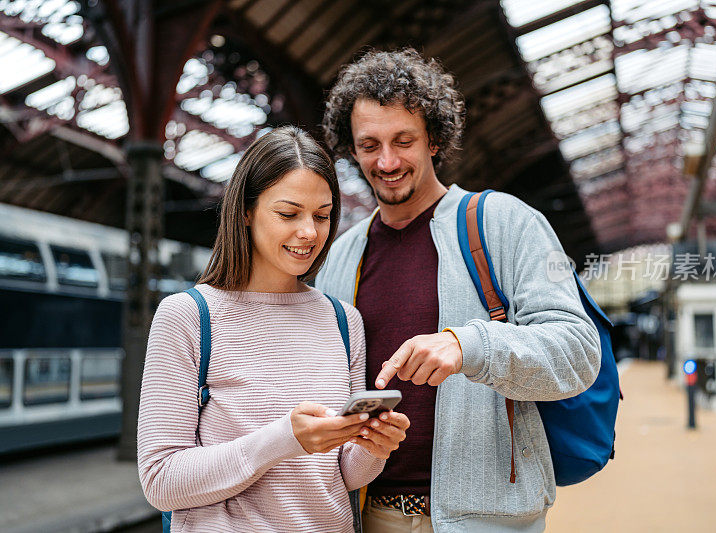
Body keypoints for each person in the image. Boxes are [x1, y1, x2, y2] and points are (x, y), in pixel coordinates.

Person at [316, 49, 602, 532]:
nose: (386, 161)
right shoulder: (339, 257)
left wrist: (469, 344)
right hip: (368, 516)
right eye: (369, 145)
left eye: (403, 141)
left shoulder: (508, 223)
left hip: (486, 520)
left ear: (435, 139)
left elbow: (577, 350)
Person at [137, 126, 410, 532]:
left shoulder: (343, 321)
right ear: (246, 211)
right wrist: (285, 439)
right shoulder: (188, 316)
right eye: (288, 213)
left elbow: (341, 475)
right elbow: (160, 480)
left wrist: (374, 448)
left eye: (322, 215)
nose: (309, 232)